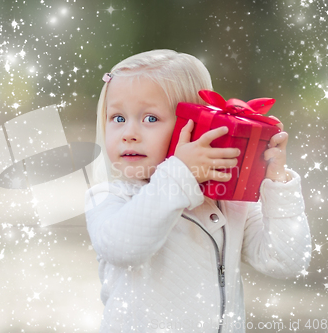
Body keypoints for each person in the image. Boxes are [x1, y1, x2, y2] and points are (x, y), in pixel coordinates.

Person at [84, 49, 311, 333]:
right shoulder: (109, 198)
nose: (129, 133)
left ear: (193, 124)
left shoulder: (228, 202)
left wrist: (278, 183)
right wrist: (180, 173)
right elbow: (125, 248)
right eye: (117, 118)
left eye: (150, 118)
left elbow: (286, 261)